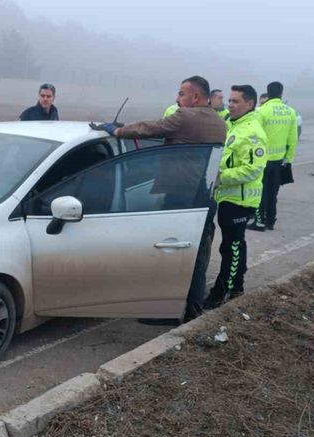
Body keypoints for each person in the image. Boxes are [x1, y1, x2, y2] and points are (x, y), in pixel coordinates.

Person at [91, 76, 226, 321]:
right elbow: (175, 137)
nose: (177, 98)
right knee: (194, 257)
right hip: (204, 197)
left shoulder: (186, 117)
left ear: (195, 97)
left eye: (181, 93)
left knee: (173, 256)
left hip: (181, 198)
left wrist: (117, 130)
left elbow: (152, 128)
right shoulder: (218, 122)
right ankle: (192, 309)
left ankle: (168, 311)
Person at [203, 85, 267, 309]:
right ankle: (237, 284)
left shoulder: (252, 132)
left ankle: (224, 290)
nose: (230, 104)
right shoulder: (233, 125)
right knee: (234, 244)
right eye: (229, 100)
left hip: (240, 200)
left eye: (236, 101)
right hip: (228, 197)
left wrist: (221, 178)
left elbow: (253, 169)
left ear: (250, 104)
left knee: (231, 247)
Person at [248, 81, 298, 232]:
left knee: (259, 191)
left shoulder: (262, 111)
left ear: (268, 93)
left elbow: (254, 136)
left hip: (262, 160)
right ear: (281, 93)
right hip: (278, 161)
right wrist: (288, 160)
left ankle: (259, 221)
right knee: (273, 192)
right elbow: (293, 139)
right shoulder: (290, 112)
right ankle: (271, 221)